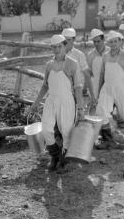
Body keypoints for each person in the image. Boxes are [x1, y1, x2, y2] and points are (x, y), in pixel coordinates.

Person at [28, 34, 84, 172]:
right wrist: (36, 103)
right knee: (46, 129)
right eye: (54, 47)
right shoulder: (49, 65)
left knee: (66, 131)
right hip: (51, 100)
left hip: (67, 100)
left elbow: (77, 87)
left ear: (65, 46)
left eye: (59, 46)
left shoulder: (72, 64)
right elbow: (45, 86)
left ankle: (64, 162)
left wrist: (81, 107)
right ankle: (55, 156)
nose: (57, 49)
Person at [95, 31, 124, 148]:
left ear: (120, 41)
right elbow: (102, 75)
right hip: (107, 89)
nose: (113, 44)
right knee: (101, 111)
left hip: (122, 90)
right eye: (111, 42)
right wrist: (99, 91)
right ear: (108, 43)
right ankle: (108, 139)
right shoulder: (105, 56)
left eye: (116, 41)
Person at [62, 28, 96, 108]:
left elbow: (87, 76)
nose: (66, 42)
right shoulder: (58, 55)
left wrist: (92, 95)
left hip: (76, 92)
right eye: (64, 39)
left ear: (73, 40)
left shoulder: (79, 55)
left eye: (69, 39)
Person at [86, 28, 110, 108]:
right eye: (94, 42)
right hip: (95, 87)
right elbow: (88, 74)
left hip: (110, 85)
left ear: (103, 40)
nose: (96, 44)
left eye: (98, 41)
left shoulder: (111, 52)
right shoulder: (90, 55)